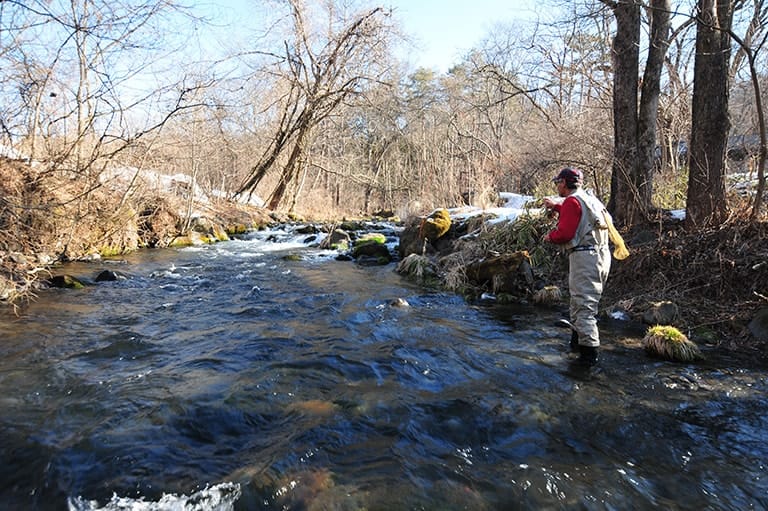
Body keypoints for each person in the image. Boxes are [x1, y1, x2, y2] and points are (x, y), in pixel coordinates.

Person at [542, 167, 611, 367]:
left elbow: (564, 233)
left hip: (586, 258)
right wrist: (556, 206)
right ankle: (576, 347)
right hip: (600, 255)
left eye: (557, 182)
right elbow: (582, 218)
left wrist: (550, 237)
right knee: (580, 305)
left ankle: (588, 362)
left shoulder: (572, 201)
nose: (556, 186)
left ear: (564, 183)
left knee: (584, 310)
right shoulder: (589, 198)